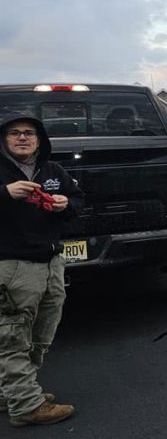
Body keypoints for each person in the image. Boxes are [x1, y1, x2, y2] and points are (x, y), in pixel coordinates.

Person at [0, 111, 82, 427]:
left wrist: (66, 204)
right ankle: (25, 406)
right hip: (11, 267)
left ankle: (13, 392)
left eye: (29, 133)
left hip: (50, 264)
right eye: (14, 133)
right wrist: (5, 194)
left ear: (39, 140)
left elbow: (78, 201)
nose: (23, 137)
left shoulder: (52, 170)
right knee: (12, 337)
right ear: (4, 139)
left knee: (41, 334)